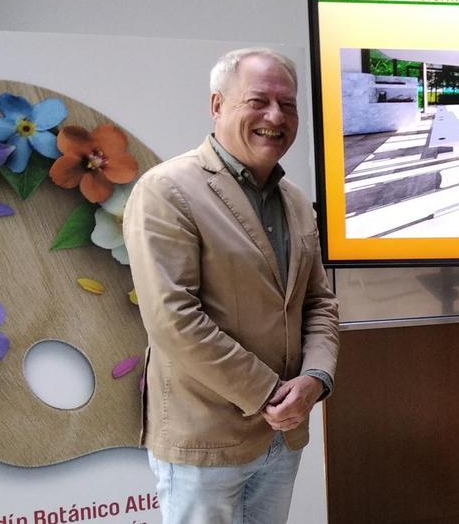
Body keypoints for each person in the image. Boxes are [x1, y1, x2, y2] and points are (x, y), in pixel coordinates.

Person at [124, 48, 339, 524]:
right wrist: (270, 395)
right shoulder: (167, 190)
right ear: (217, 106)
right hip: (206, 439)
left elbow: (318, 302)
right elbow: (172, 319)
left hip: (283, 433)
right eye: (258, 101)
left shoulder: (296, 200)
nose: (275, 116)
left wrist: (316, 380)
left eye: (288, 105)